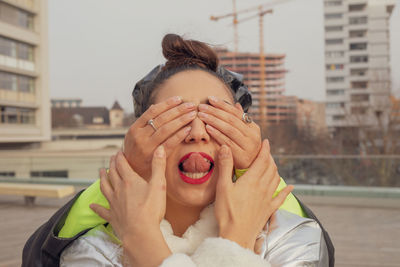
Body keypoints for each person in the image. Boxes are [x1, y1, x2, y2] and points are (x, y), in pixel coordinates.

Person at [22, 34, 333, 267]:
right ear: (140, 139)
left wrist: (147, 248)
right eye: (175, 120)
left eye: (215, 118)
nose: (197, 134)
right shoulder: (93, 251)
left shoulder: (294, 239)